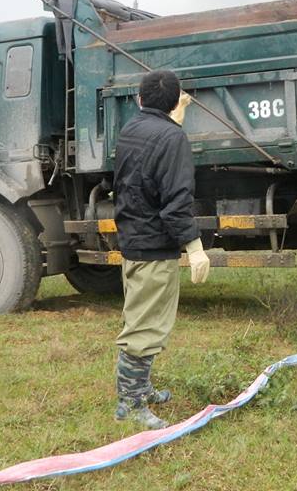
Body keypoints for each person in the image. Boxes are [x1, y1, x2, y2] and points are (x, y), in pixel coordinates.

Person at [113, 70, 209, 429]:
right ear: (173, 103)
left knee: (139, 318)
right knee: (145, 327)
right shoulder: (172, 138)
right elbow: (176, 201)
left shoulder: (131, 129)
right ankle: (130, 404)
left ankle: (142, 388)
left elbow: (146, 172)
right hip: (154, 246)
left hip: (134, 239)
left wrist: (173, 118)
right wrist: (195, 248)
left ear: (139, 101)